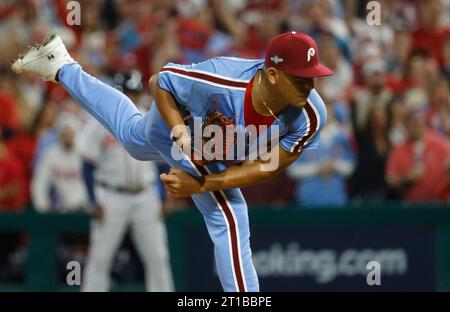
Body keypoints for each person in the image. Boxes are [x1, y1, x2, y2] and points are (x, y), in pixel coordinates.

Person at [11, 31, 333, 291]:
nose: (310, 85)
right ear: (273, 74)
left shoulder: (310, 113)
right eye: (301, 78)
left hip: (214, 146)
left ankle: (61, 66)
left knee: (133, 137)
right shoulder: (222, 78)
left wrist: (204, 183)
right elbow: (159, 82)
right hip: (178, 122)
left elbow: (268, 166)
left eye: (313, 76)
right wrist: (179, 132)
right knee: (230, 215)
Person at [80, 70, 174, 292]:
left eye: (134, 92)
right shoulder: (100, 120)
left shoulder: (148, 117)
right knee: (100, 258)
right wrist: (93, 200)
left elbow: (161, 161)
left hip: (145, 195)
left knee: (158, 257)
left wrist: (164, 196)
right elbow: (87, 164)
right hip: (110, 196)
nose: (131, 98)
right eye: (127, 93)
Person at [31, 113, 88, 213]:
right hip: (60, 209)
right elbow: (39, 182)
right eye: (64, 134)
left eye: (70, 133)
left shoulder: (85, 153)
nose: (67, 136)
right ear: (59, 134)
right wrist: (42, 206)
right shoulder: (50, 154)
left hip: (85, 208)